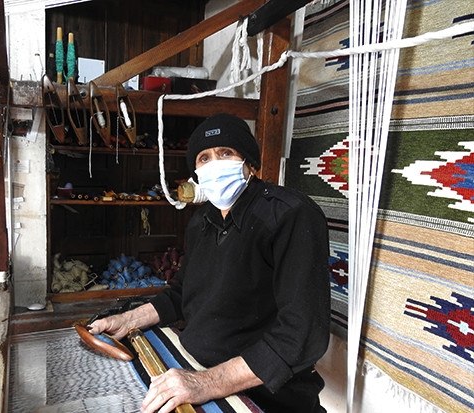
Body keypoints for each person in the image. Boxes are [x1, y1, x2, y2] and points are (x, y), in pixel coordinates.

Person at [89, 113, 331, 413]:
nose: (215, 164)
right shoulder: (202, 220)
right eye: (204, 158)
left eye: (226, 153)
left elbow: (302, 334)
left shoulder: (290, 215)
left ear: (248, 162)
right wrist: (127, 320)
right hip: (196, 369)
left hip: (265, 397)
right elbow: (182, 293)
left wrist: (205, 383)